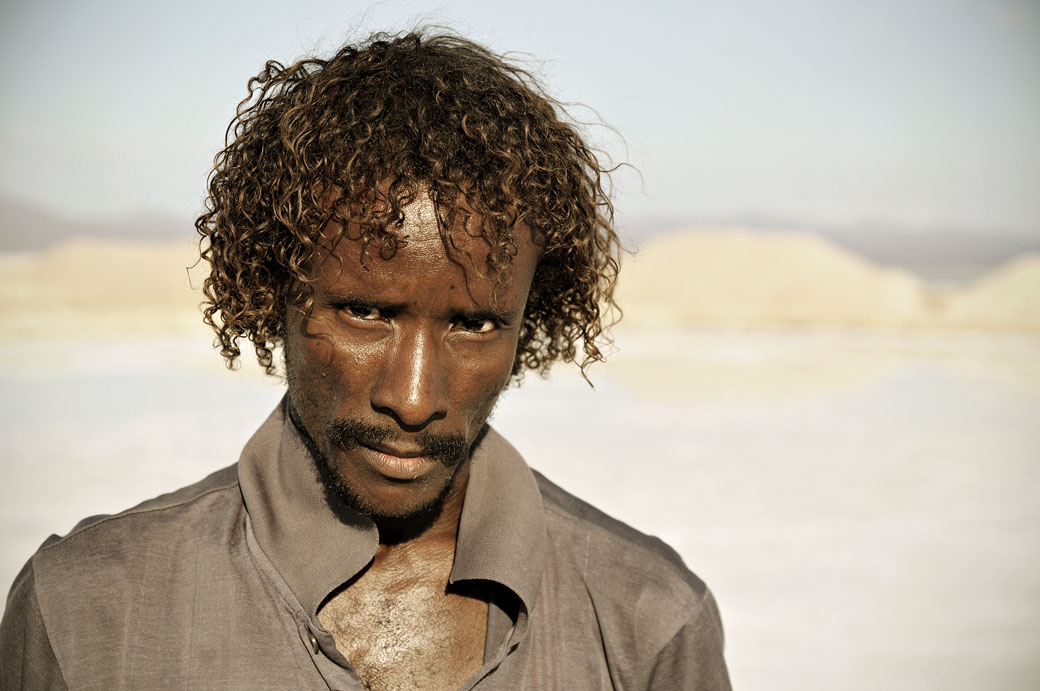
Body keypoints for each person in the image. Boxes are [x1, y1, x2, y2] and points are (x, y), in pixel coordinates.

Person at [1, 30, 731, 690]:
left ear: (527, 322)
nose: (413, 399)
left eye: (474, 323)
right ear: (272, 287)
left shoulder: (650, 624)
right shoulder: (85, 614)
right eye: (365, 312)